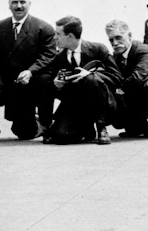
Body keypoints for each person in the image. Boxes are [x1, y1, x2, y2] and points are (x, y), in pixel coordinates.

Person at [0, 0, 56, 140]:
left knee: (46, 80)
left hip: (35, 79)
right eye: (14, 2)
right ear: (9, 5)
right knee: (23, 132)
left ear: (29, 4)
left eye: (22, 2)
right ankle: (31, 121)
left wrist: (31, 71)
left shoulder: (44, 28)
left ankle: (46, 124)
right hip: (11, 83)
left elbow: (48, 55)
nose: (19, 6)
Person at [43, 16, 120, 145]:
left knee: (91, 79)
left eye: (58, 34)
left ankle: (101, 128)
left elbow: (117, 77)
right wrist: (57, 85)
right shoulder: (59, 58)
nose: (55, 38)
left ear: (70, 36)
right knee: (61, 137)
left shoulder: (98, 50)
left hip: (102, 105)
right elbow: (52, 89)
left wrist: (90, 74)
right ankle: (86, 128)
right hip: (76, 106)